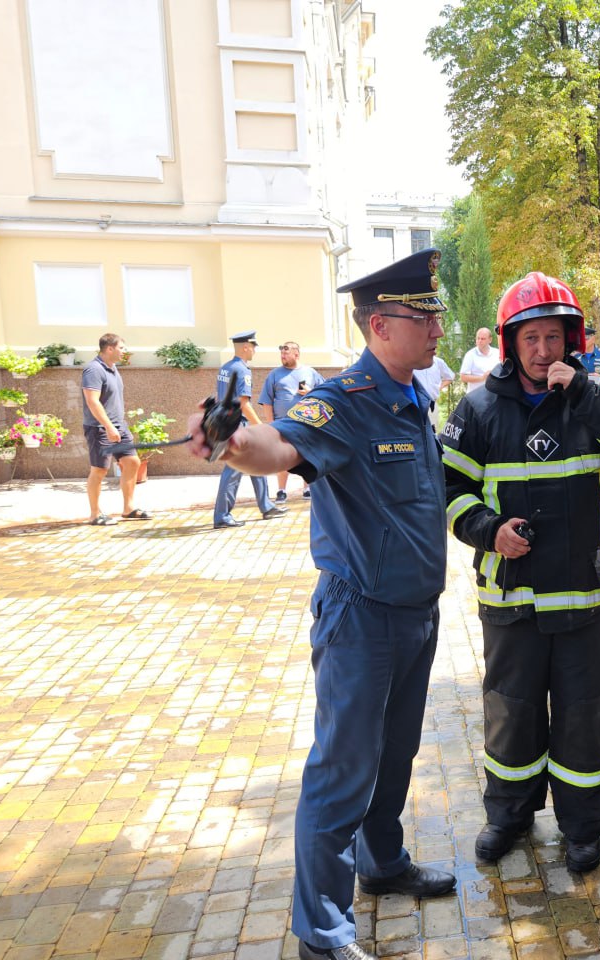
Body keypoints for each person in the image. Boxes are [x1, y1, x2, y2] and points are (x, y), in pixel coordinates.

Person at [184, 249, 455, 960]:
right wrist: (231, 438)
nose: (437, 328)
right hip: (362, 616)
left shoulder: (412, 396)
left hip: (416, 613)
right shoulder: (342, 403)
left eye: (436, 315)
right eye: (423, 317)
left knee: (395, 754)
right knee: (342, 772)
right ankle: (323, 934)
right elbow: (276, 446)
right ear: (379, 326)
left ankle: (382, 862)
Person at [441, 272, 600, 873]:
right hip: (511, 598)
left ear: (571, 340)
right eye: (530, 339)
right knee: (510, 713)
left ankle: (582, 828)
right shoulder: (479, 409)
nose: (543, 351)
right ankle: (509, 817)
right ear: (510, 343)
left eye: (553, 338)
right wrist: (489, 530)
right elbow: (449, 487)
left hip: (583, 597)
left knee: (584, 716)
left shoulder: (595, 401)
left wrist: (587, 395)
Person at [212, 331, 287, 528]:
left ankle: (266, 506)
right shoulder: (242, 370)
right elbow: (244, 403)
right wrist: (261, 427)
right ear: (246, 347)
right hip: (237, 426)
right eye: (253, 347)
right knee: (233, 470)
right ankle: (222, 516)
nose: (254, 351)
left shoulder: (226, 367)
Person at [81, 333, 149, 525]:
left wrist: (117, 426)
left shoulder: (112, 368)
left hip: (119, 425)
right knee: (99, 470)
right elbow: (92, 402)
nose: (124, 351)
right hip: (99, 428)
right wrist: (108, 427)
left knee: (132, 462)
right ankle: (95, 514)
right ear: (109, 348)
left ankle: (128, 509)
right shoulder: (94, 370)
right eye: (121, 348)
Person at [260, 341, 322, 501]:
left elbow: (324, 393)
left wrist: (310, 392)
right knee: (283, 457)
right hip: (282, 424)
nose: (283, 356)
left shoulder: (310, 372)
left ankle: (307, 488)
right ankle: (281, 490)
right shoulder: (274, 374)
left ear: (296, 354)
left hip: (306, 423)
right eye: (281, 354)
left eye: (286, 354)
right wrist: (271, 425)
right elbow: (267, 401)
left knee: (307, 455)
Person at [415, 355, 455, 427]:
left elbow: (450, 377)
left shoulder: (438, 362)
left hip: (431, 404)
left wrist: (439, 387)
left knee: (432, 430)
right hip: (415, 404)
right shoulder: (412, 361)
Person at [458, 326, 501, 393]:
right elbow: (463, 377)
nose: (480, 341)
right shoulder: (470, 355)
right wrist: (482, 378)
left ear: (490, 340)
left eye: (483, 339)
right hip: (476, 396)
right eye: (478, 338)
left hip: (494, 394)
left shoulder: (497, 353)